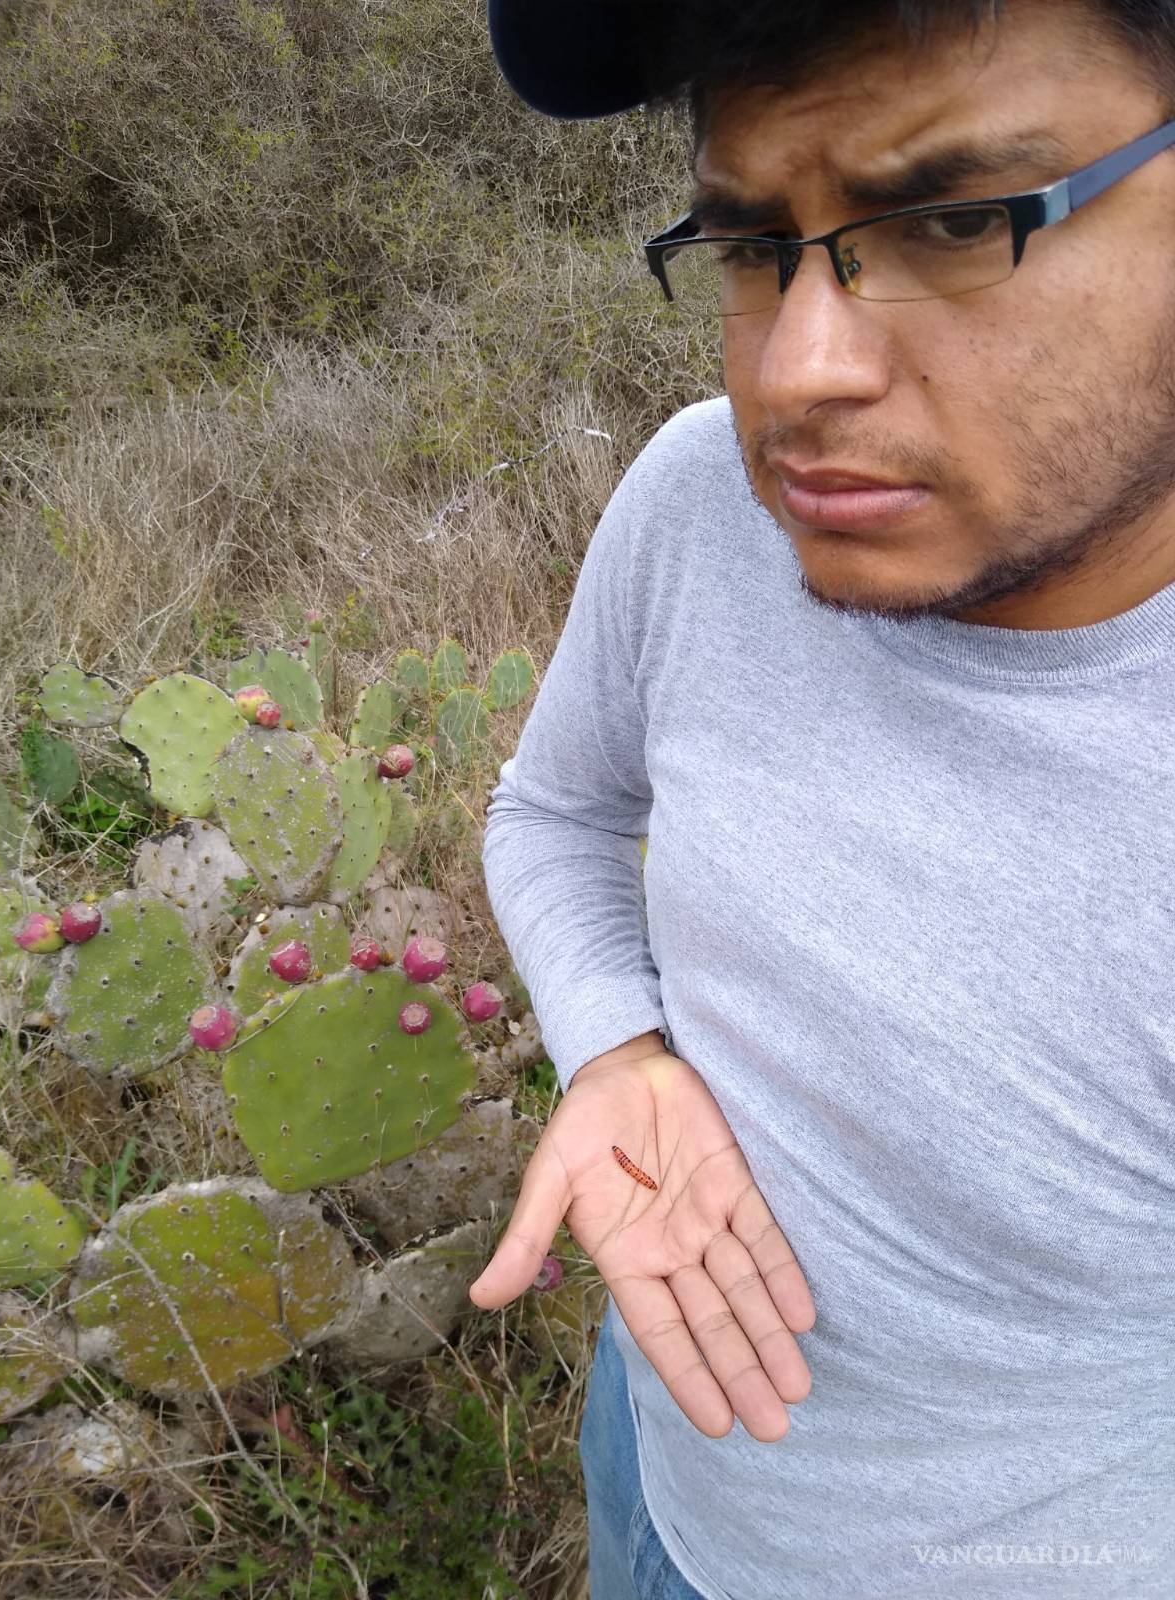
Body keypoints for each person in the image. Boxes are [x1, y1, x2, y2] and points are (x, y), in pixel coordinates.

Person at [470, 2, 1175, 1595]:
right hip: (659, 1479)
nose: (799, 378)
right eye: (749, 247)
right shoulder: (696, 506)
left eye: (949, 220)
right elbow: (555, 813)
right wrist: (618, 1048)